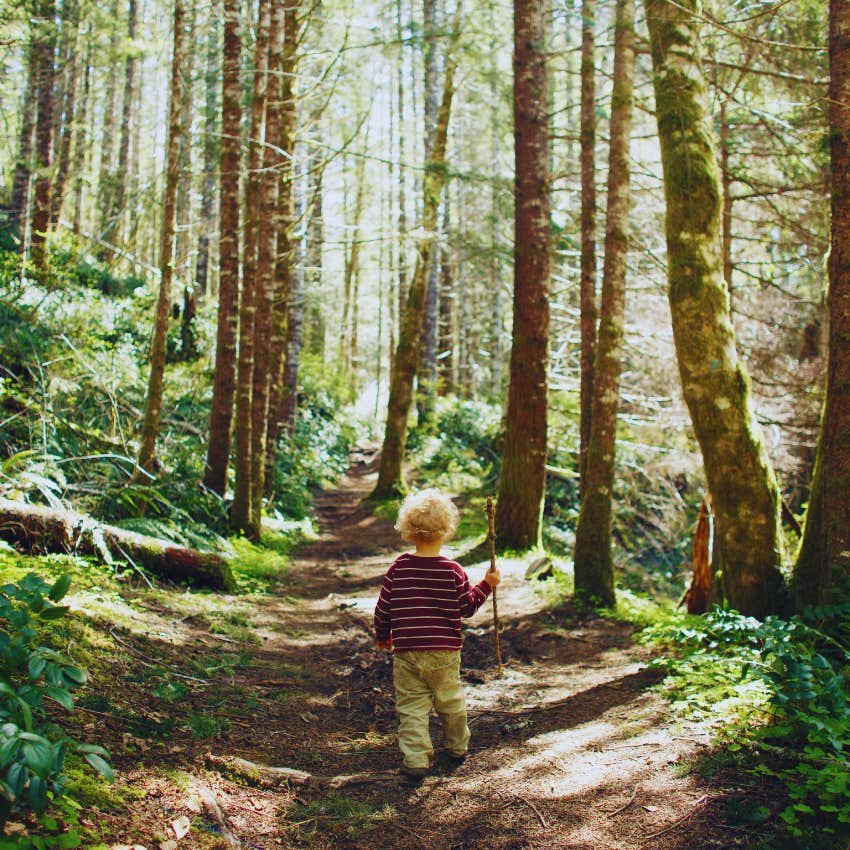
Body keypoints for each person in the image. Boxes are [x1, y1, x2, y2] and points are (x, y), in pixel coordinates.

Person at [374, 488, 501, 778]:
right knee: (450, 700)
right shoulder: (453, 571)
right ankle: (457, 746)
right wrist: (487, 584)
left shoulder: (399, 568)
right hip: (444, 652)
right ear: (446, 531)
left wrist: (383, 635)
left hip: (407, 652)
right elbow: (467, 607)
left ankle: (416, 759)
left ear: (407, 530)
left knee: (411, 706)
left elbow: (383, 608)